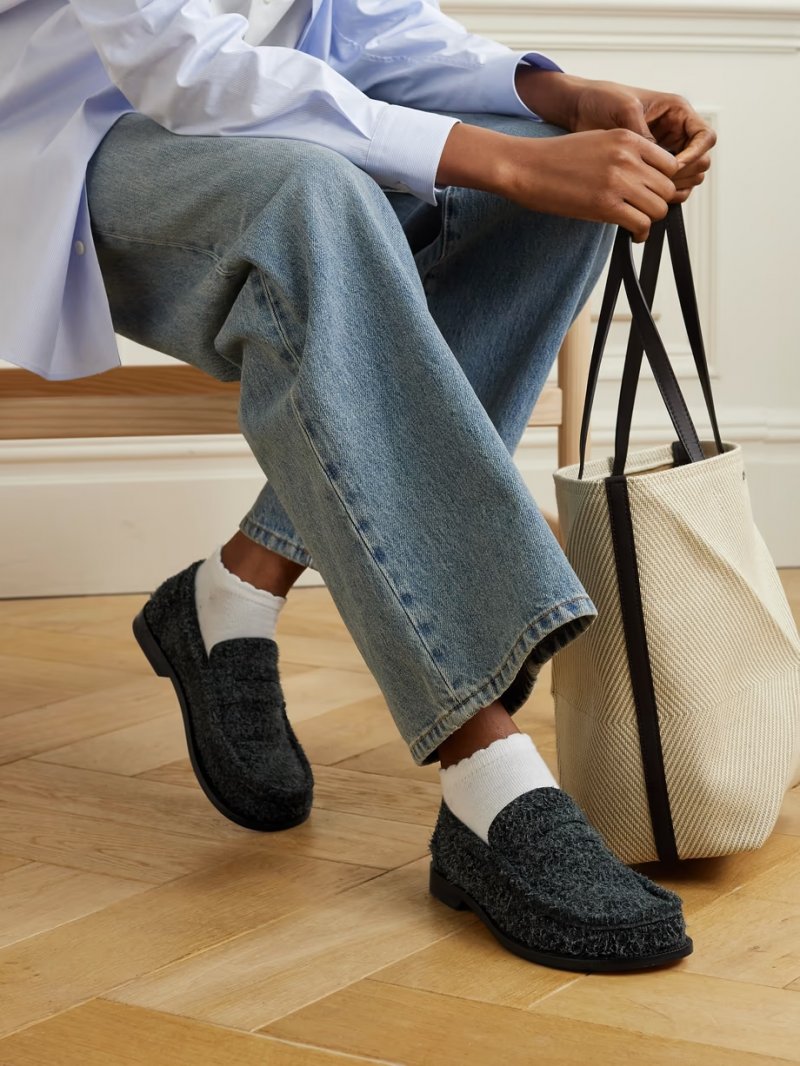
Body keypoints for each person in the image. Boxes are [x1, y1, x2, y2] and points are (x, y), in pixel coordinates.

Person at [1, 0, 714, 972]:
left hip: (229, 128)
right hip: (58, 152)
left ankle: (236, 588)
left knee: (544, 191)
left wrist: (562, 99)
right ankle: (485, 767)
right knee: (313, 197)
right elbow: (186, 67)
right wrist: (507, 160)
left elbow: (365, 24)